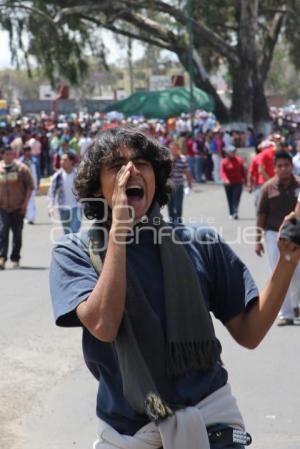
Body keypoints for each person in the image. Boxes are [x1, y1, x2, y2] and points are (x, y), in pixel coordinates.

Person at [49, 127, 300, 449]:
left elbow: (249, 333)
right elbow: (104, 324)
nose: (131, 172)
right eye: (117, 166)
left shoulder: (199, 241)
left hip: (211, 422)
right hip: (128, 432)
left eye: (141, 163)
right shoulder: (73, 251)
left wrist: (287, 260)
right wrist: (120, 231)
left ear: (157, 177)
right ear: (97, 189)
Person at [255, 150, 300, 325]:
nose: (283, 169)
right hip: (274, 234)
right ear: (274, 168)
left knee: (297, 274)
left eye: (286, 165)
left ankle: (296, 304)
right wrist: (257, 240)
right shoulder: (268, 187)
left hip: (296, 236)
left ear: (291, 166)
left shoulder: (298, 185)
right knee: (279, 273)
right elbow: (261, 215)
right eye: (279, 166)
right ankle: (286, 314)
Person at [0, 145, 34, 269]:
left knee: (17, 234)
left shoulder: (21, 168)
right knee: (2, 233)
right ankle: (2, 258)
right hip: (3, 208)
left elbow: (30, 186)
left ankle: (15, 258)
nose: (9, 156)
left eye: (11, 154)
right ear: (2, 155)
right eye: (6, 154)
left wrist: (25, 203)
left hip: (18, 207)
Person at [48, 151, 81, 234]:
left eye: (65, 160)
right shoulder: (58, 176)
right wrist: (50, 206)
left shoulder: (78, 175)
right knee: (67, 233)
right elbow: (52, 192)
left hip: (76, 207)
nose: (62, 162)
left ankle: (74, 246)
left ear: (71, 161)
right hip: (63, 208)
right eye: (61, 160)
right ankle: (70, 246)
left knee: (74, 231)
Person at [167, 141, 192, 223]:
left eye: (174, 149)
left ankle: (178, 222)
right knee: (170, 206)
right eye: (171, 149)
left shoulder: (183, 159)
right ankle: (171, 222)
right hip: (169, 186)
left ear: (178, 149)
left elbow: (187, 173)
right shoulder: (166, 159)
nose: (173, 150)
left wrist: (189, 185)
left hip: (179, 185)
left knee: (178, 206)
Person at [220, 145, 245, 220]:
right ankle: (231, 212)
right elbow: (222, 172)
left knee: (236, 198)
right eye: (232, 152)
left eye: (234, 152)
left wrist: (246, 181)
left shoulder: (239, 160)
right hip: (228, 183)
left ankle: (235, 212)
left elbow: (243, 171)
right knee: (230, 198)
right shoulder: (224, 161)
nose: (233, 153)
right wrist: (225, 179)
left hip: (238, 182)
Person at [20, 144, 41, 224]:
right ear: (24, 152)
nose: (27, 153)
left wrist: (38, 182)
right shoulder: (20, 161)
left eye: (29, 151)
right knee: (25, 200)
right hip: (23, 185)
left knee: (31, 200)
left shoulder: (35, 161)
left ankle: (31, 218)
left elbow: (38, 173)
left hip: (32, 183)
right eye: (26, 151)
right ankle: (28, 216)